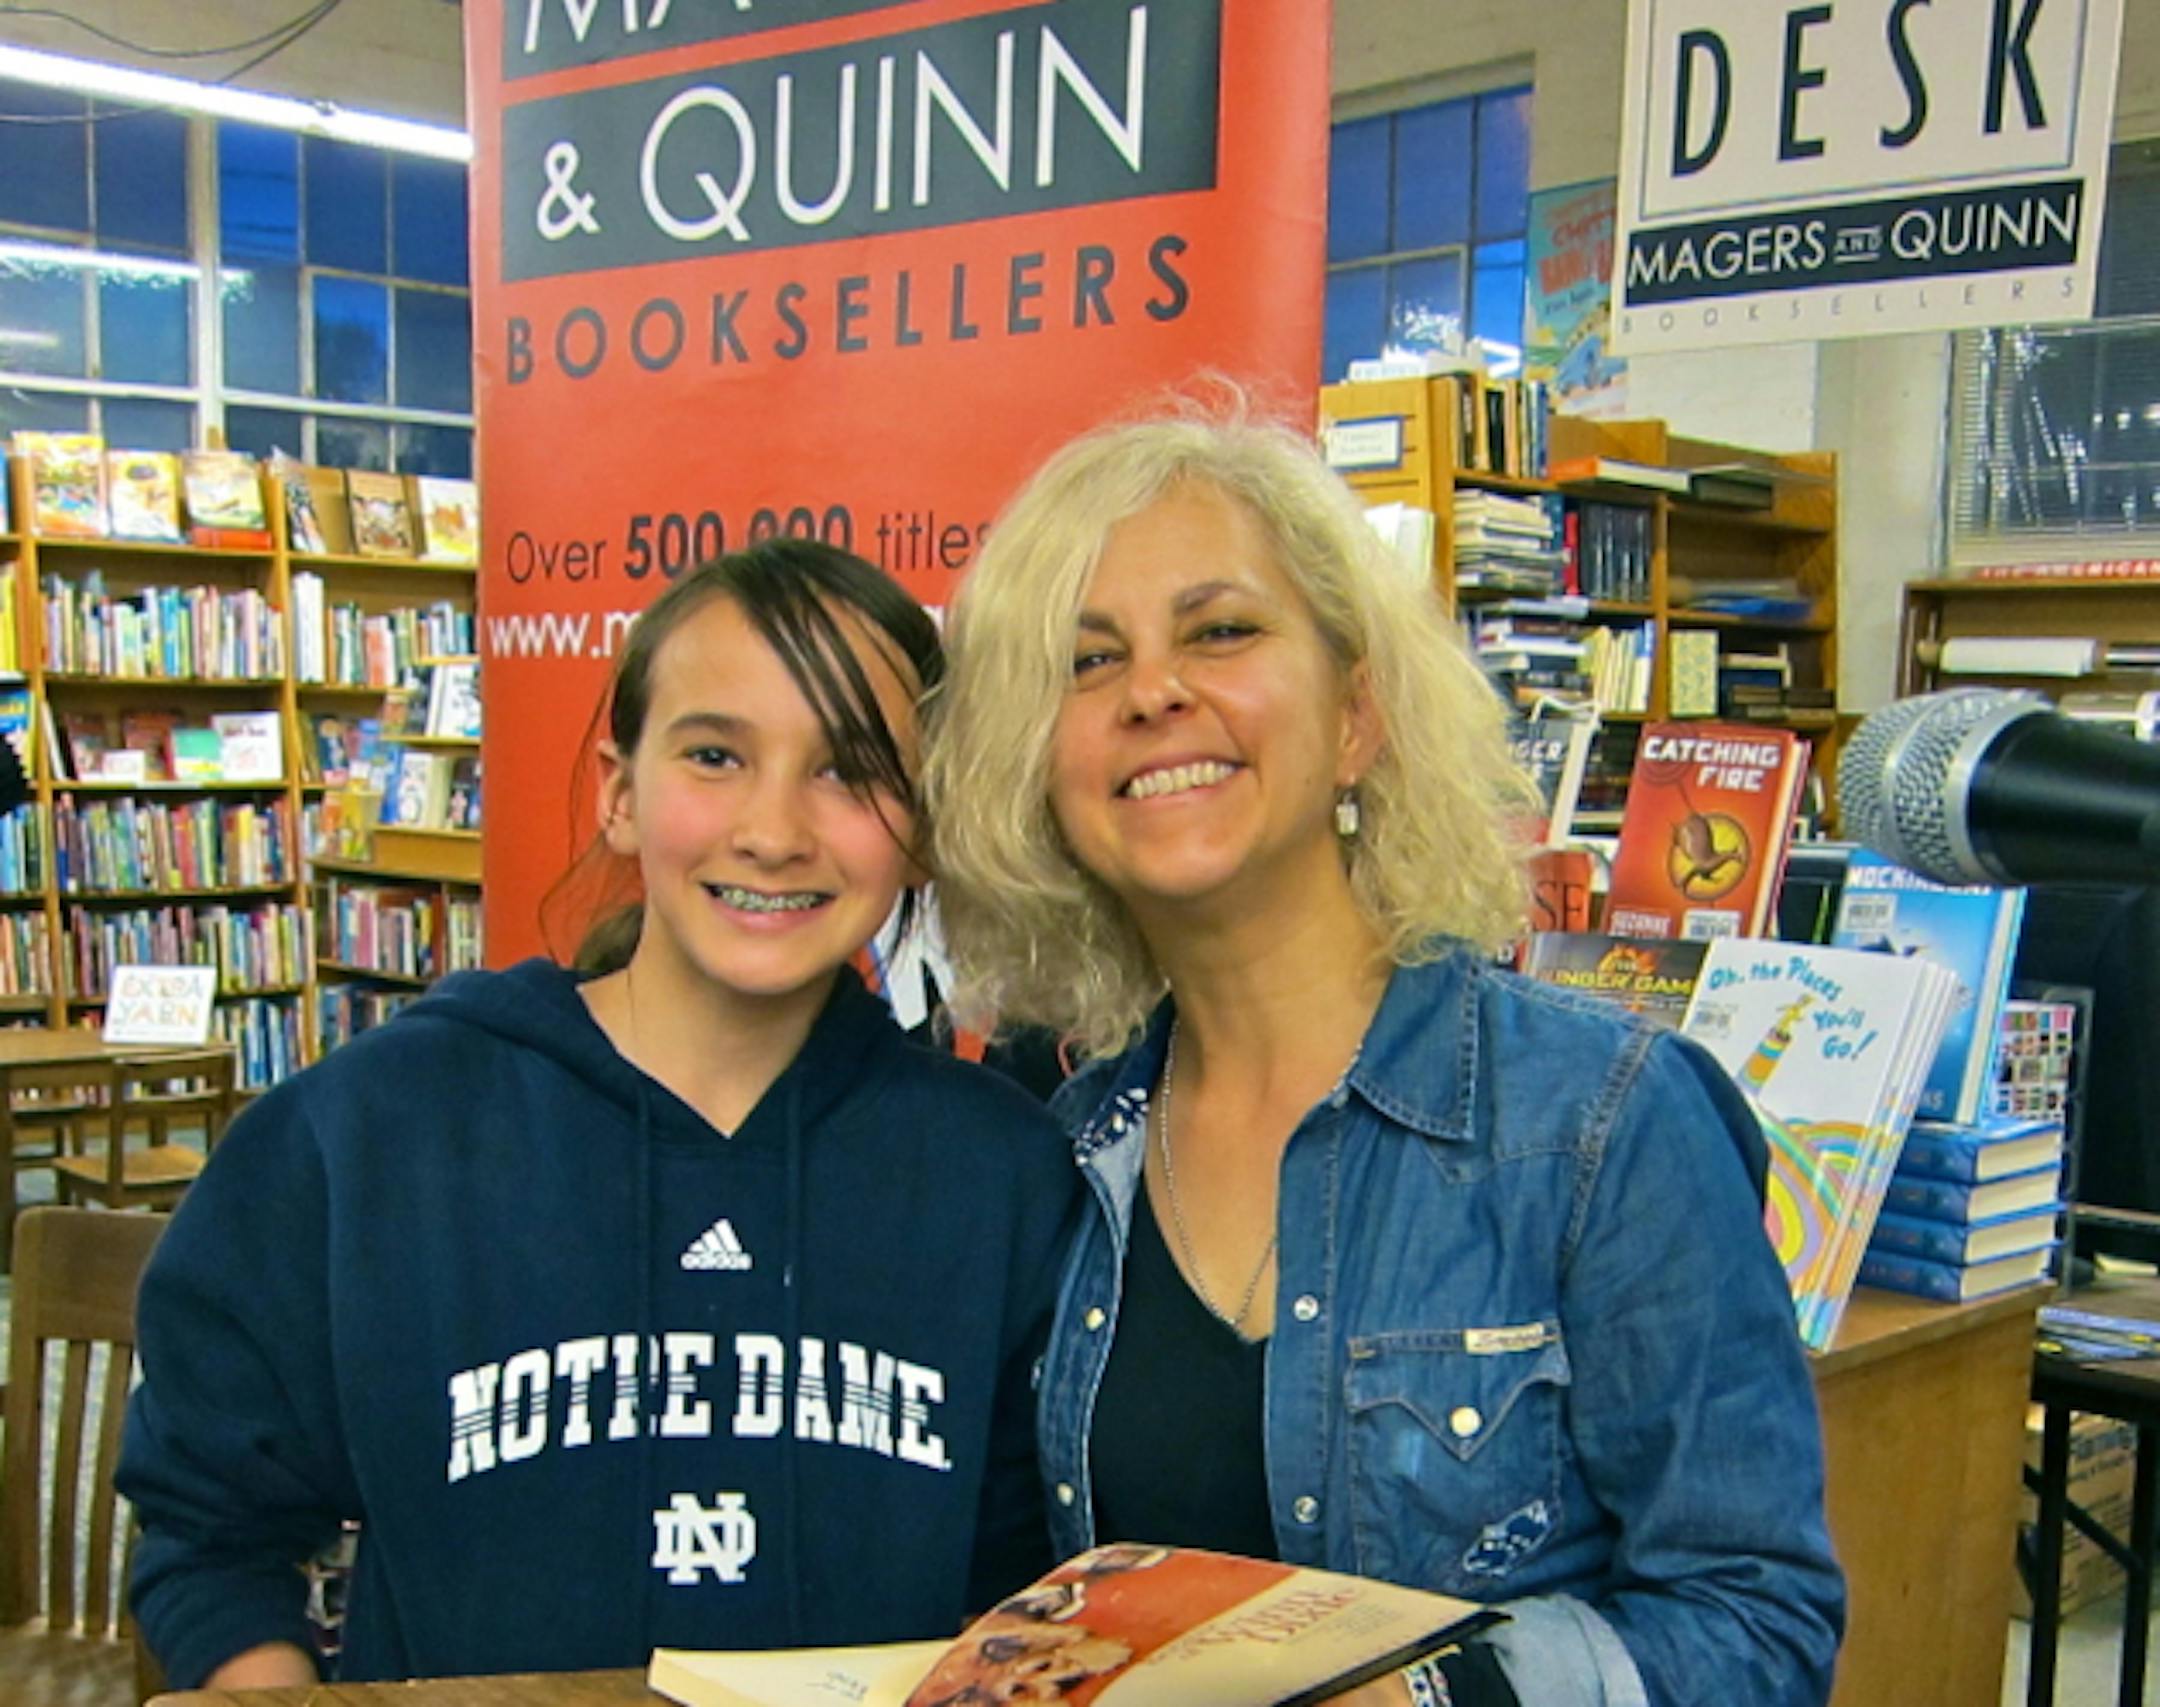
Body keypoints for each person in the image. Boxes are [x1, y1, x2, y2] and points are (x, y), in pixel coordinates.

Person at [924, 400, 1846, 1706]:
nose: (1153, 690)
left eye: (1222, 629)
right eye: (1085, 661)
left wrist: (1437, 1696)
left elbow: (1761, 1623)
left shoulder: (1602, 1119)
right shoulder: (1066, 1155)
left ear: (1355, 712)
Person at [118, 539, 1080, 1689]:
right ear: (620, 794)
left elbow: (1030, 1591)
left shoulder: (1004, 1174)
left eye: (849, 769)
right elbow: (210, 1522)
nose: (774, 831)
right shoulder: (368, 1135)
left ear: (921, 824)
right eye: (716, 754)